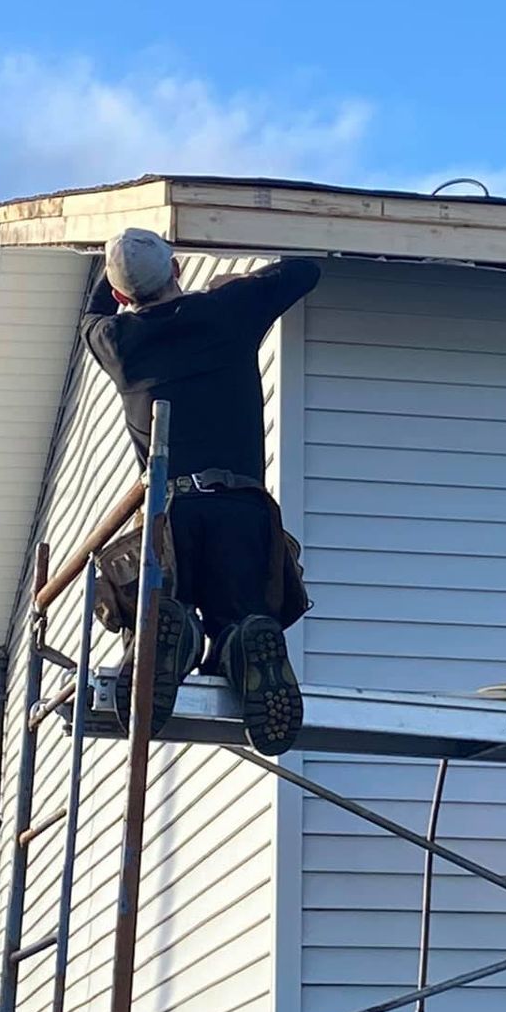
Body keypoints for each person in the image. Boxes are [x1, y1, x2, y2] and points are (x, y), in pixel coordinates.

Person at [80, 228, 320, 754]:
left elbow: (91, 318)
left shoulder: (119, 343)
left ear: (123, 297)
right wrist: (242, 283)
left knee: (166, 598)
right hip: (242, 509)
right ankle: (242, 637)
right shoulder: (227, 311)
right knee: (243, 611)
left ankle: (176, 636)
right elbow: (305, 269)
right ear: (177, 270)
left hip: (171, 516)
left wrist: (111, 274)